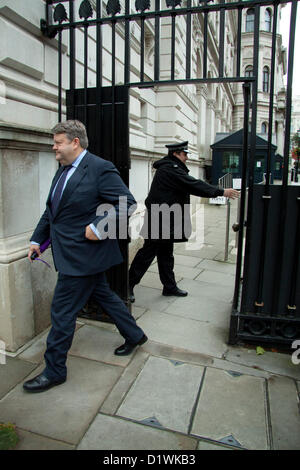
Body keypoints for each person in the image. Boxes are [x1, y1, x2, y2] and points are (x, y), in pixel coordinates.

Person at [23, 120, 147, 393]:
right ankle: (135, 335)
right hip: (72, 252)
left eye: (57, 142)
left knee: (62, 312)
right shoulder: (63, 170)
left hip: (83, 256)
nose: (53, 147)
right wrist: (37, 241)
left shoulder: (100, 168)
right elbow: (52, 212)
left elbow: (127, 202)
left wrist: (98, 227)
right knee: (104, 295)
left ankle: (54, 371)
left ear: (74, 142)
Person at [129, 141, 239, 302]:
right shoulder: (170, 169)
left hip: (164, 217)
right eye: (185, 154)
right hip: (160, 218)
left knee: (166, 254)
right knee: (147, 253)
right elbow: (194, 185)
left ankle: (169, 286)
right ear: (176, 154)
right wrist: (221, 191)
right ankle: (127, 286)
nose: (187, 157)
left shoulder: (172, 168)